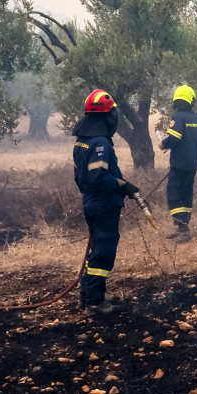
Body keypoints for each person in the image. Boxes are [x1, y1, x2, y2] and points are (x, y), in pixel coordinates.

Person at [72, 90, 139, 315]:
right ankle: (95, 303)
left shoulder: (83, 141)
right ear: (106, 115)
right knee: (103, 252)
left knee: (97, 250)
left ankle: (87, 296)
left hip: (93, 203)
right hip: (103, 205)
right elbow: (98, 177)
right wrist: (121, 186)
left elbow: (80, 177)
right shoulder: (101, 143)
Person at [159, 83, 197, 242]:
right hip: (192, 164)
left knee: (174, 193)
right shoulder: (196, 119)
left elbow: (175, 138)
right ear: (191, 100)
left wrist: (163, 144)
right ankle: (183, 227)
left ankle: (183, 229)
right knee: (186, 194)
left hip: (180, 164)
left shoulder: (178, 117)